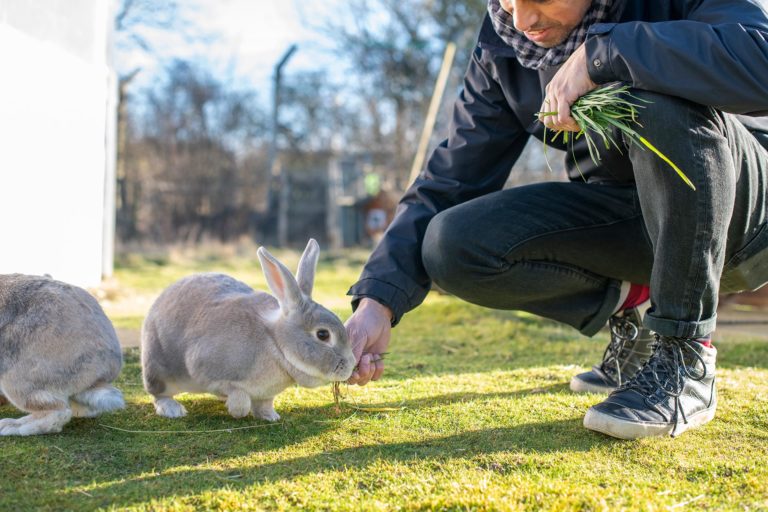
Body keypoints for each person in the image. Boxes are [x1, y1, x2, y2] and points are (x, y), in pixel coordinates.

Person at [344, 0, 768, 439]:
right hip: (631, 218)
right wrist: (379, 301)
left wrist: (603, 53)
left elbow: (761, 56)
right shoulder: (504, 45)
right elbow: (449, 180)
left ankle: (685, 355)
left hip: (744, 212)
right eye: (509, 0)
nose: (522, 20)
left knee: (654, 90)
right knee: (450, 244)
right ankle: (637, 303)